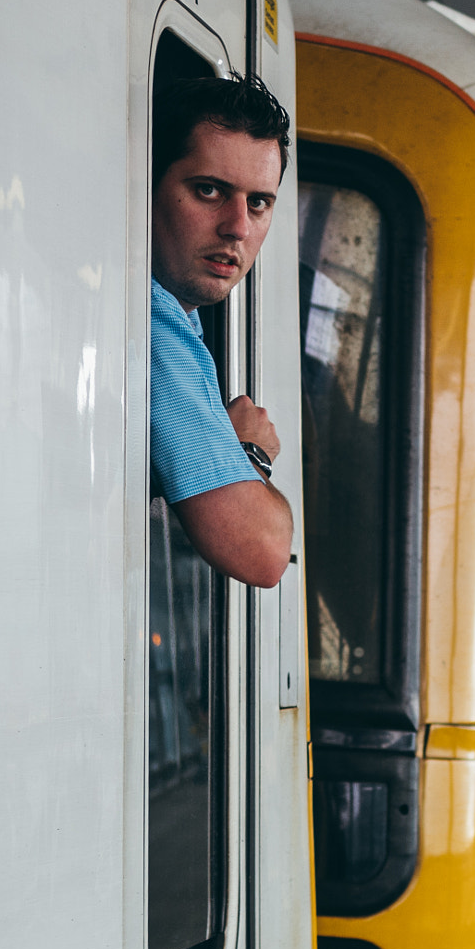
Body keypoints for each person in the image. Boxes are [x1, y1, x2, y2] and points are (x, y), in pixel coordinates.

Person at [148, 73, 294, 590]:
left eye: (259, 203)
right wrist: (249, 452)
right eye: (209, 190)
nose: (237, 226)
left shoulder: (179, 317)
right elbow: (262, 552)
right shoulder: (150, 323)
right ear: (149, 184)